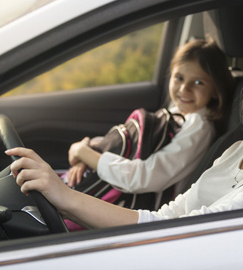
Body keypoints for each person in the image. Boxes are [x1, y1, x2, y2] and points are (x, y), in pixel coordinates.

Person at [7, 32, 243, 228]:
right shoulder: (238, 150)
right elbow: (173, 213)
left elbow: (186, 230)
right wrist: (66, 198)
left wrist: (65, 198)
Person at [65, 38, 234, 203]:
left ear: (215, 90)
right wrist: (90, 153)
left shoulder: (199, 127)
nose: (184, 89)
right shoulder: (177, 114)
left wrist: (84, 153)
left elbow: (142, 177)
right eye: (179, 78)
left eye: (198, 82)